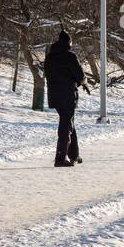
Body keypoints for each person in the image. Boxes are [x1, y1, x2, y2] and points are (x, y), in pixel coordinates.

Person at [44, 28, 89, 167]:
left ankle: (73, 155)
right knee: (66, 124)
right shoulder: (70, 56)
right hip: (68, 96)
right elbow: (80, 76)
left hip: (54, 96)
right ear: (68, 42)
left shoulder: (49, 57)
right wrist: (84, 82)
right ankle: (60, 157)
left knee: (69, 122)